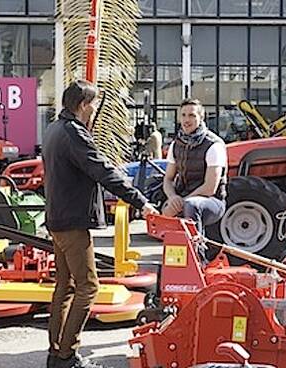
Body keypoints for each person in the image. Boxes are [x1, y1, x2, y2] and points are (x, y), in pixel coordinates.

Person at [43, 80, 158, 368]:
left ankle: (56, 353)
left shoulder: (55, 130)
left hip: (58, 219)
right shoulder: (74, 134)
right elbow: (102, 171)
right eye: (94, 104)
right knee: (88, 287)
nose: (96, 110)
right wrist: (140, 201)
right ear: (83, 105)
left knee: (65, 286)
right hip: (72, 223)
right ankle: (67, 356)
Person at [162, 98, 228, 260]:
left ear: (201, 118)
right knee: (164, 210)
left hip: (213, 202)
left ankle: (197, 258)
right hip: (184, 198)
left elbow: (209, 188)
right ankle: (174, 263)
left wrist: (181, 202)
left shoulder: (214, 145)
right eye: (183, 115)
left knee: (192, 205)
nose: (186, 120)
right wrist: (172, 198)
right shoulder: (175, 145)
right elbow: (168, 179)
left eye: (191, 115)